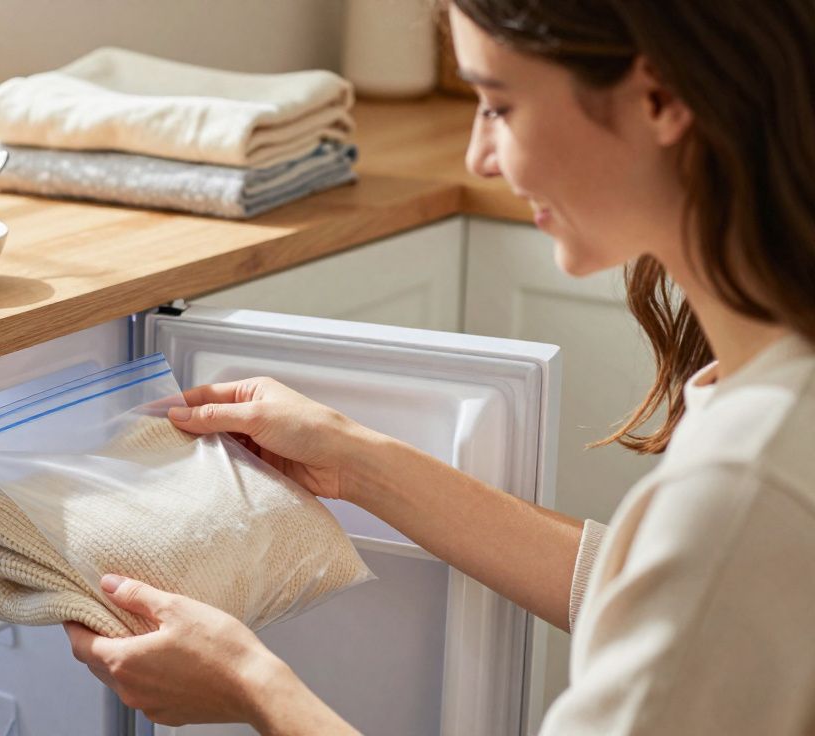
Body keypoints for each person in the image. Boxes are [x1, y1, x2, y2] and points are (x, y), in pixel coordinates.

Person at [65, 1, 815, 733]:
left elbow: (707, 565)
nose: (477, 157)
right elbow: (673, 603)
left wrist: (256, 691)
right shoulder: (771, 420)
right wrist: (359, 462)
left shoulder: (746, 484)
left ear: (659, 96)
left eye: (498, 105)